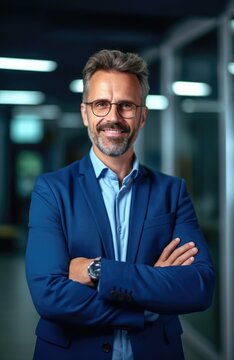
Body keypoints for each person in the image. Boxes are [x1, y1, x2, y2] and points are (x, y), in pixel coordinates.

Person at [25, 49, 215, 360]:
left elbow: (198, 285)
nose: (113, 117)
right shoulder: (52, 190)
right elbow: (48, 295)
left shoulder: (172, 192)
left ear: (143, 115)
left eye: (126, 105)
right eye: (101, 104)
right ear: (86, 113)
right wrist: (145, 307)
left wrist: (98, 270)